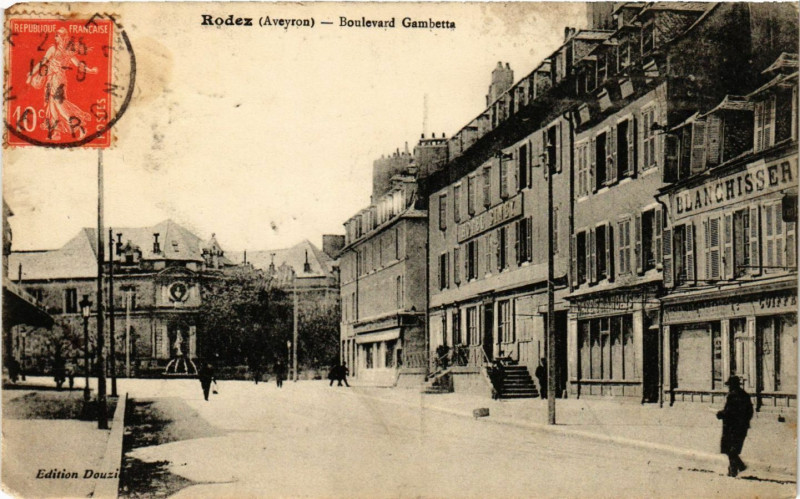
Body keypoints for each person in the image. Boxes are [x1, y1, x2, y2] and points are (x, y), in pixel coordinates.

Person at [26, 27, 98, 140]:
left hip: (58, 80)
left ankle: (79, 127)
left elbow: (78, 65)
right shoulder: (56, 49)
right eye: (55, 35)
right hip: (51, 79)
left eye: (58, 35)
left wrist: (90, 70)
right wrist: (31, 73)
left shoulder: (63, 51)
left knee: (59, 105)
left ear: (63, 37)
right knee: (51, 105)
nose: (56, 37)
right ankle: (56, 133)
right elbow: (42, 63)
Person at [717, 375, 753, 477]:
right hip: (742, 427)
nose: (729, 387)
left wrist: (721, 414)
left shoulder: (732, 396)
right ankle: (735, 468)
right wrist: (745, 421)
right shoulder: (745, 395)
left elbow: (730, 412)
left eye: (730, 385)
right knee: (733, 448)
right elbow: (750, 411)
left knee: (730, 449)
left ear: (732, 386)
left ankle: (737, 468)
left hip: (731, 426)